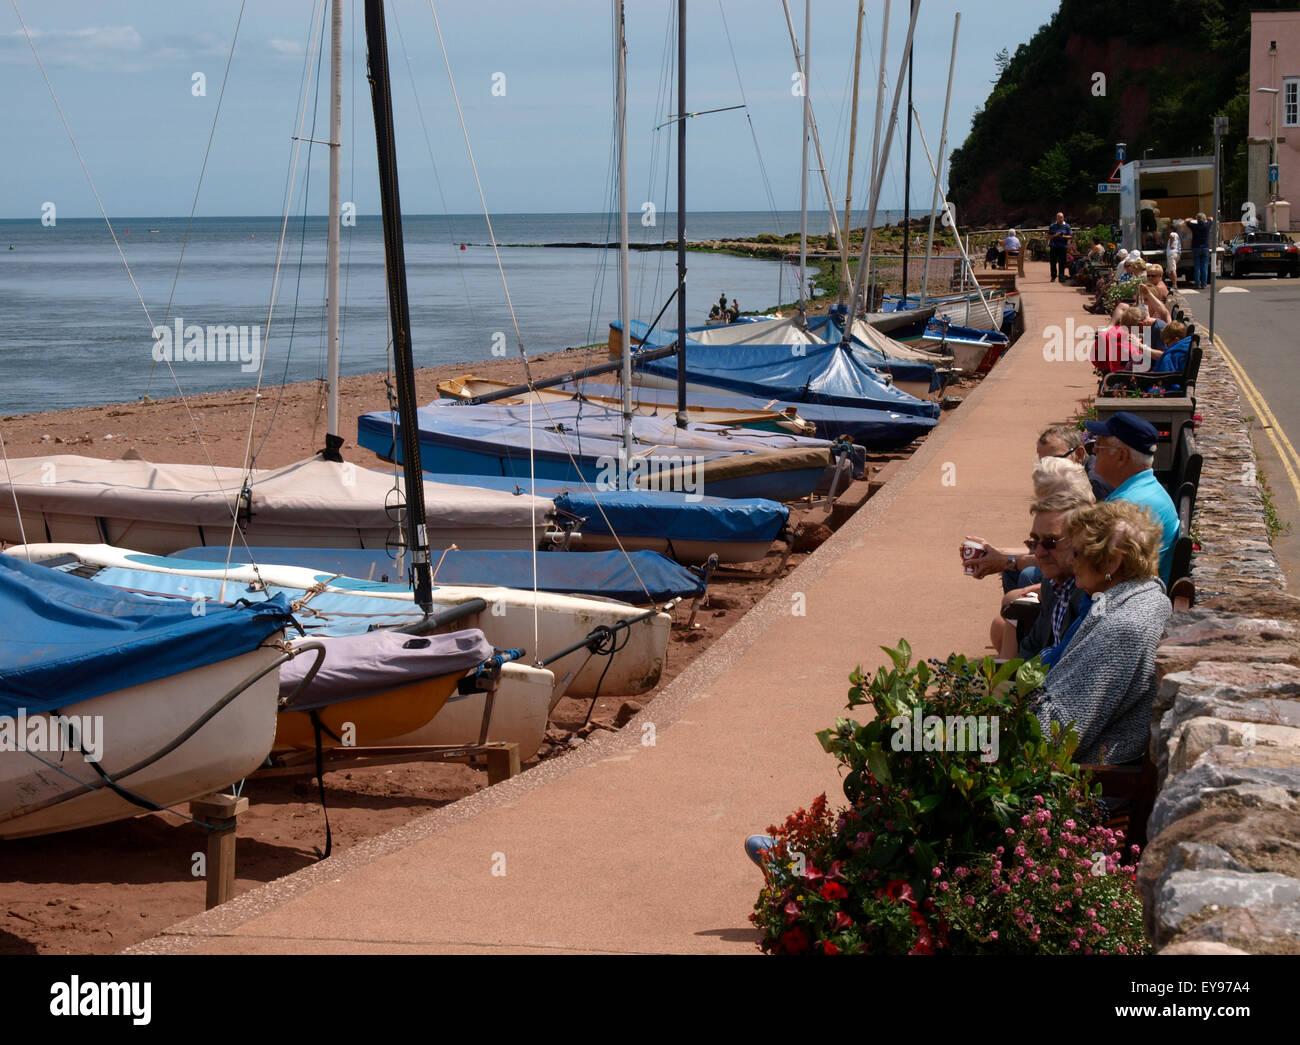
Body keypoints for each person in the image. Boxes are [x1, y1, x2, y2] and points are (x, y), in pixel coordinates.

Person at [1029, 500, 1171, 764]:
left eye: (1079, 553)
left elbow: (1053, 735)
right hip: (1082, 766)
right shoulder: (1143, 595)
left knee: (931, 739)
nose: (1070, 561)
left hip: (1079, 782)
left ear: (1112, 561)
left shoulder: (1122, 629)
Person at [1084, 411, 1179, 584]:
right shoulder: (1147, 490)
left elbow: (1102, 572)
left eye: (1099, 444)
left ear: (1121, 456)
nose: (1094, 450)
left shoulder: (1128, 506)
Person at [1187, 212, 1213, 290]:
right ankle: (1204, 284)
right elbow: (1211, 218)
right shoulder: (1207, 225)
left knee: (1197, 267)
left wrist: (1192, 219)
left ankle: (1197, 283)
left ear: (1197, 220)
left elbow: (1187, 221)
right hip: (1205, 248)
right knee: (1204, 266)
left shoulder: (1194, 226)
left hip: (1196, 248)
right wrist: (1207, 218)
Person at [1047, 212, 1072, 282]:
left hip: (1063, 246)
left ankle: (1061, 277)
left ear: (1063, 218)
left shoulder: (1067, 226)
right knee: (1053, 262)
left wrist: (1063, 236)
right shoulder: (1052, 226)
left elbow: (1070, 236)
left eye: (1061, 217)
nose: (1060, 219)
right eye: (1058, 217)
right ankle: (1053, 276)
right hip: (1054, 246)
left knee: (1062, 262)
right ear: (1056, 218)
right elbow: (1048, 236)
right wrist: (1055, 235)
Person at [1165, 224, 1182, 290]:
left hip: (1171, 254)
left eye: (1169, 229)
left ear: (1172, 229)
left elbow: (1171, 236)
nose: (1168, 230)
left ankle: (1175, 285)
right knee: (1168, 271)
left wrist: (1171, 245)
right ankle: (1173, 282)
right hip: (1176, 254)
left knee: (1172, 270)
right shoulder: (1177, 235)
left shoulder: (1173, 233)